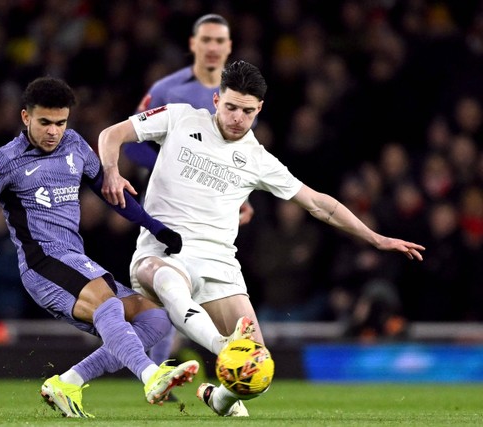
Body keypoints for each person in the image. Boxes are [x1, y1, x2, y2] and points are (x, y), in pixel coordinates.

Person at [97, 60, 425, 416]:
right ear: (216, 99)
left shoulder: (257, 158)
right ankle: (223, 345)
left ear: (260, 109)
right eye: (231, 107)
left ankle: (218, 397)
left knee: (259, 372)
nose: (238, 117)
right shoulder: (178, 118)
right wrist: (111, 172)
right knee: (164, 278)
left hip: (219, 265)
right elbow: (111, 135)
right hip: (163, 253)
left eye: (248, 111)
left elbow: (318, 203)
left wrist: (375, 238)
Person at [0, 76, 201, 417]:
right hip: (42, 265)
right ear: (25, 117)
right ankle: (151, 377)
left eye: (60, 122)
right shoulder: (4, 162)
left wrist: (157, 227)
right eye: (44, 122)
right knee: (107, 302)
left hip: (75, 260)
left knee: (156, 319)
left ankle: (67, 382)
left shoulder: (75, 146)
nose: (53, 131)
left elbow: (112, 194)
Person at [123, 12, 255, 371]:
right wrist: (179, 173)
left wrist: (240, 198)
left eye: (219, 41)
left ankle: (216, 365)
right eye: (206, 40)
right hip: (170, 207)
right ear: (193, 45)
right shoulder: (169, 90)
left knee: (213, 283)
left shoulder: (238, 96)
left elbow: (237, 158)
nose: (212, 48)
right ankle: (156, 368)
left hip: (216, 210)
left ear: (229, 47)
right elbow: (132, 145)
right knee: (166, 287)